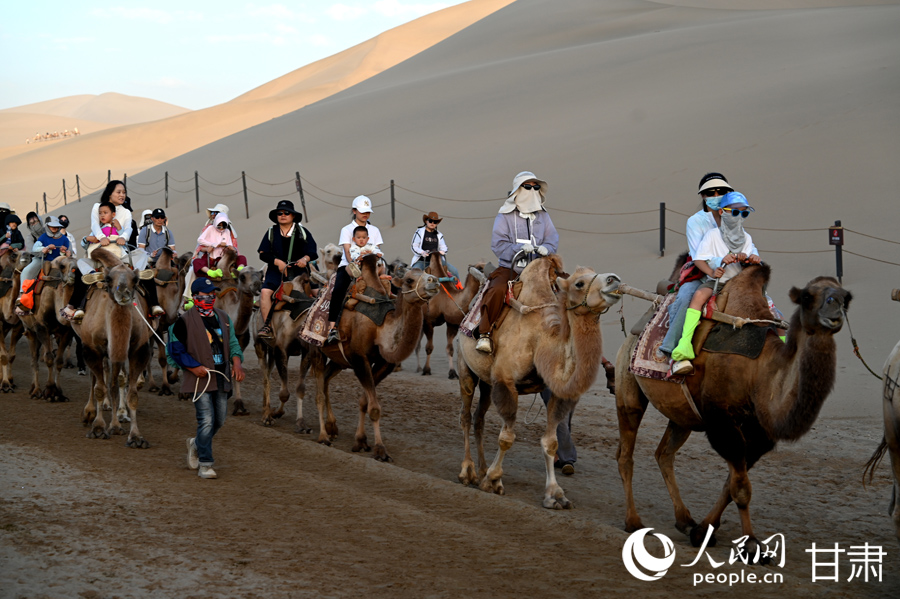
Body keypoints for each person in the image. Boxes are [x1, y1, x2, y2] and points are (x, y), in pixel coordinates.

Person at [670, 191, 760, 374]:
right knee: (698, 295)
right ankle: (684, 344)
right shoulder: (712, 236)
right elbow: (699, 259)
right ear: (722, 212)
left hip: (739, 284)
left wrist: (751, 259)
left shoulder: (747, 238)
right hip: (717, 282)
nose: (739, 217)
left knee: (772, 312)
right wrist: (716, 267)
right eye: (735, 212)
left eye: (744, 213)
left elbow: (754, 256)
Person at [167, 278, 245, 479]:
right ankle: (205, 464)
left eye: (212, 295)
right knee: (207, 420)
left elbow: (234, 343)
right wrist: (193, 367)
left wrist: (237, 363)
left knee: (218, 420)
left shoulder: (224, 318)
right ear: (195, 298)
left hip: (221, 377)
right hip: (199, 380)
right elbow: (176, 351)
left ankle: (196, 444)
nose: (209, 299)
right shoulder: (182, 323)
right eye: (204, 296)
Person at [476, 171, 559, 354]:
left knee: (566, 287)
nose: (532, 190)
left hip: (539, 268)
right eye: (527, 186)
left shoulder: (543, 216)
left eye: (535, 187)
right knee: (497, 289)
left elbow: (552, 237)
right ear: (518, 190)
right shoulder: (505, 216)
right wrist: (518, 249)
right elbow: (498, 244)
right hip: (511, 267)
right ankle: (485, 334)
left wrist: (547, 248)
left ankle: (568, 335)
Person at [658, 172, 733, 359]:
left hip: (734, 273)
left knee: (768, 307)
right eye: (711, 192)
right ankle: (670, 349)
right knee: (685, 298)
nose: (716, 196)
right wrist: (716, 268)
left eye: (721, 191)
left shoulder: (734, 216)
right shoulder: (696, 221)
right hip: (703, 273)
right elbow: (699, 254)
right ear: (703, 196)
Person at [325, 195, 384, 343]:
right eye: (362, 211)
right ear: (354, 211)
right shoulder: (346, 230)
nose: (365, 214)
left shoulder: (374, 230)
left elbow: (377, 250)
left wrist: (373, 262)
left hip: (371, 265)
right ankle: (332, 328)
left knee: (390, 289)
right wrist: (355, 264)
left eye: (368, 212)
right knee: (338, 290)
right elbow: (347, 251)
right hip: (350, 265)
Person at [256, 200, 317, 339]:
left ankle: (322, 325)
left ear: (293, 215)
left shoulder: (302, 231)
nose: (283, 215)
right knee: (265, 292)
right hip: (276, 272)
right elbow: (263, 253)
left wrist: (304, 259)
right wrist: (277, 262)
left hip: (299, 272)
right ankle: (267, 326)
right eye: (280, 213)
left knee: (319, 293)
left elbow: (313, 251)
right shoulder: (271, 232)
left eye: (286, 213)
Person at [16, 216, 71, 315]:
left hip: (59, 260)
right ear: (47, 226)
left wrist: (67, 252)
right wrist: (45, 248)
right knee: (27, 270)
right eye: (52, 226)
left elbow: (71, 250)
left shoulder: (64, 239)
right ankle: (22, 295)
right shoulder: (43, 237)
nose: (54, 228)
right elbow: (35, 248)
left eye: (56, 226)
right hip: (43, 260)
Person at [193, 212, 245, 280]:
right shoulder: (210, 228)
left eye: (223, 226)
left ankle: (237, 272)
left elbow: (229, 244)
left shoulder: (227, 231)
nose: (221, 228)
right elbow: (200, 240)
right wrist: (213, 244)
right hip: (211, 257)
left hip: (223, 257)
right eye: (219, 225)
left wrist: (228, 247)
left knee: (242, 258)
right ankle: (211, 273)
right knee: (196, 262)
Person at [409, 211, 459, 280]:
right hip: (422, 260)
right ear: (426, 221)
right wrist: (422, 252)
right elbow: (414, 246)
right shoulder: (419, 232)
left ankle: (459, 288)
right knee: (413, 275)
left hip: (437, 261)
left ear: (437, 224)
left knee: (454, 271)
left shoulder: (439, 235)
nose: (432, 223)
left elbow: (444, 247)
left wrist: (442, 251)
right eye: (430, 221)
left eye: (435, 222)